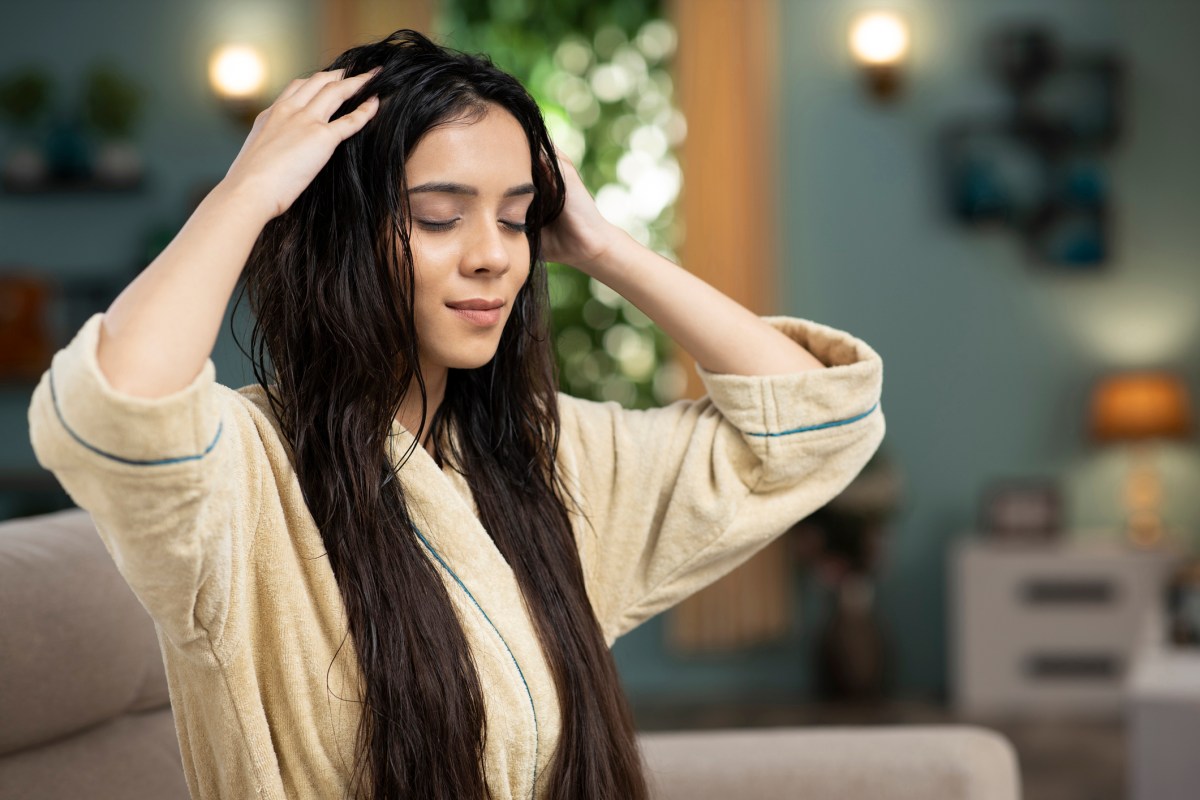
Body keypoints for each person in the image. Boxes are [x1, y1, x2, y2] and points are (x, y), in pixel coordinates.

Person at [27, 28, 885, 800]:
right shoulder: (244, 480)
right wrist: (246, 194)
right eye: (439, 217)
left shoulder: (550, 459)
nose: (493, 257)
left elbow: (817, 423)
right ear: (341, 234)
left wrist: (602, 246)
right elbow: (119, 412)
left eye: (517, 219)